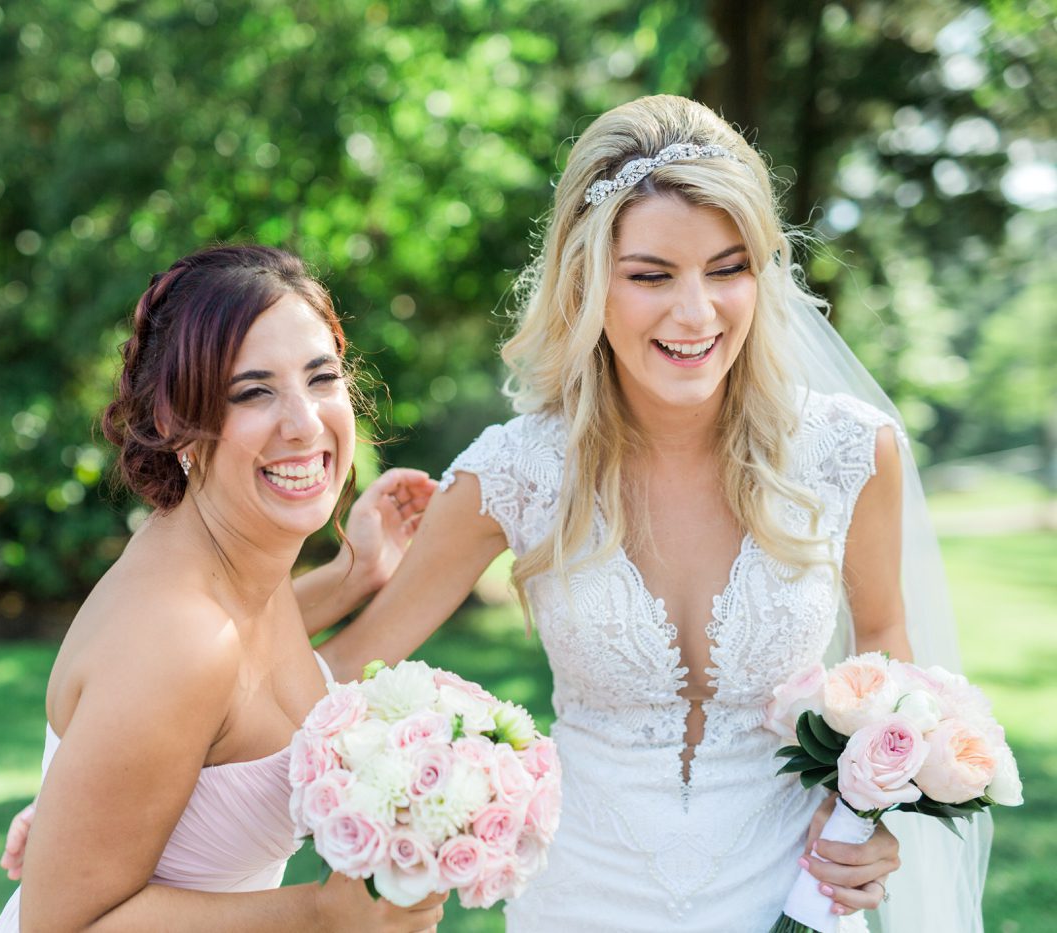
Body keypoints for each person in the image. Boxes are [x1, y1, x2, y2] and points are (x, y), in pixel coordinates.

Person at [315, 95, 988, 931]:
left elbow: (888, 655)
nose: (696, 312)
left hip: (793, 897)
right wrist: (348, 584)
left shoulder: (851, 454)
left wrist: (870, 817)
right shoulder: (514, 472)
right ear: (588, 280)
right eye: (651, 275)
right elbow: (333, 681)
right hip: (579, 902)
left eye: (728, 267)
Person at [0, 244, 445, 932]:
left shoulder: (227, 562)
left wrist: (356, 575)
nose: (303, 422)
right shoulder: (178, 639)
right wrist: (321, 914)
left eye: (320, 378)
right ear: (176, 423)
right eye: (254, 391)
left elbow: (250, 669)